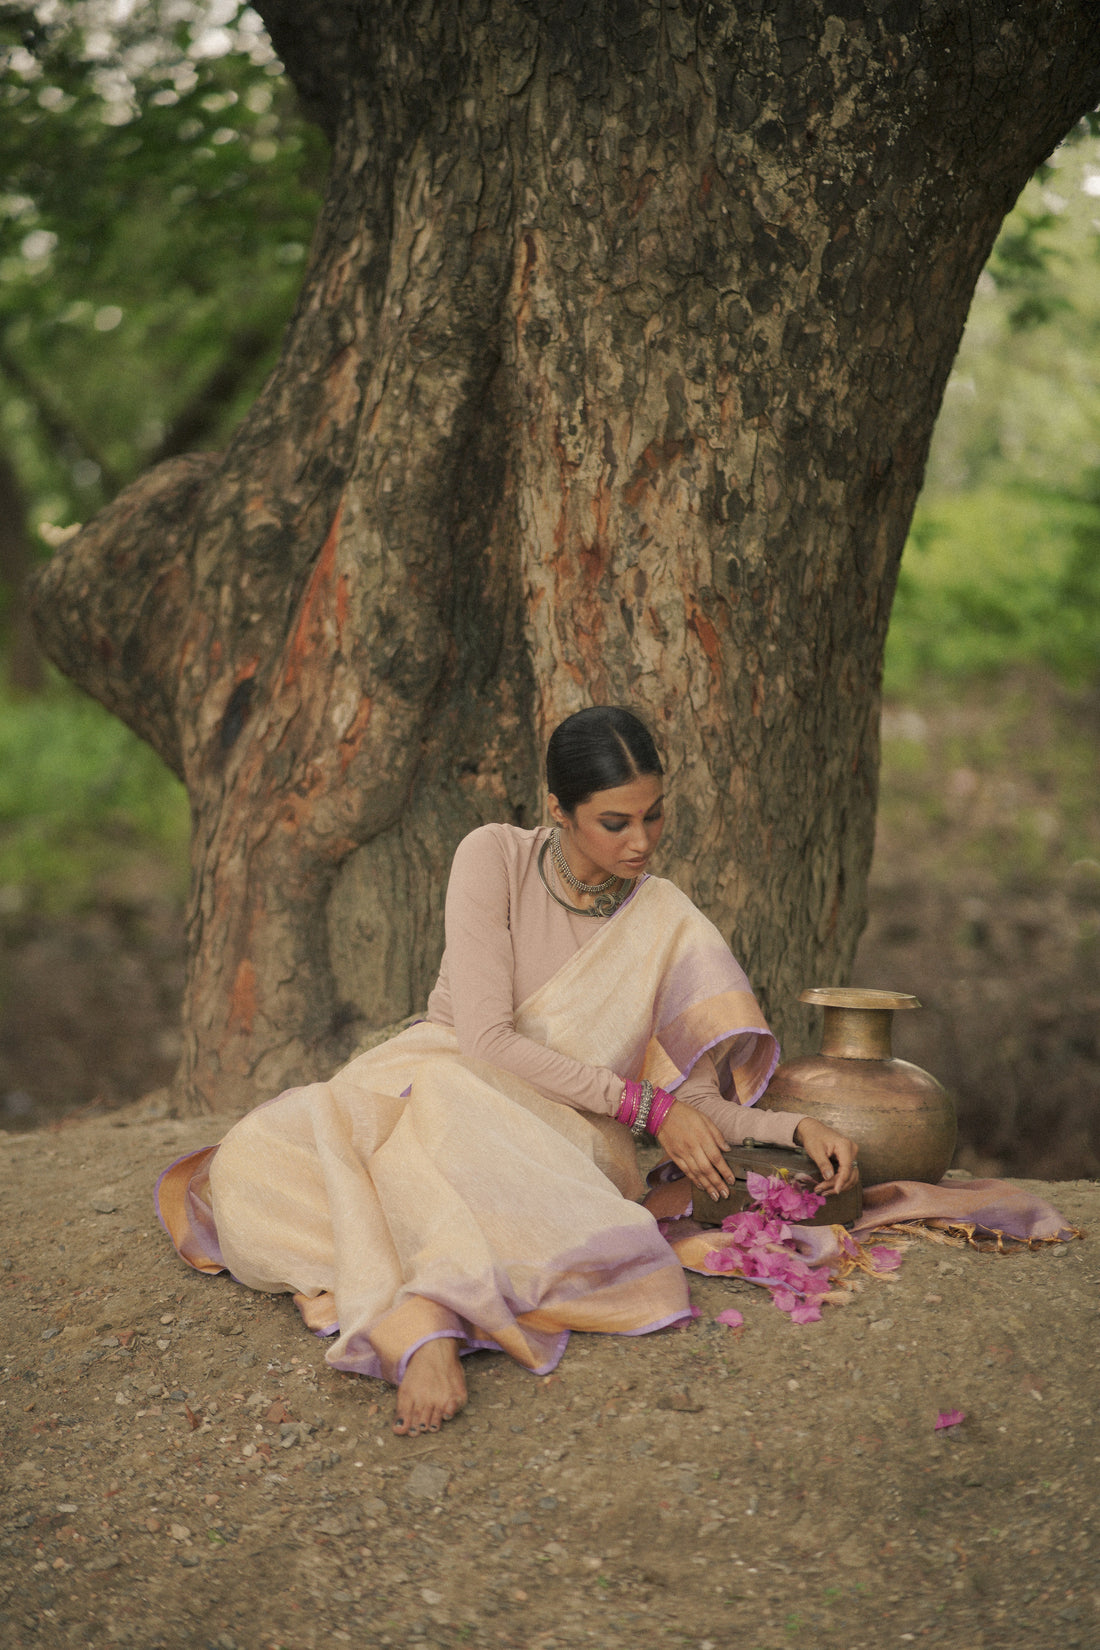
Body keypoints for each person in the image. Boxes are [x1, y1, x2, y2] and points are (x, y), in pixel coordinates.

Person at [157, 707, 857, 1437]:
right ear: (557, 808)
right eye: (614, 822)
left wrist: (794, 1126)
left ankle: (420, 1323)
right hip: (434, 1076)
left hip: (552, 1143)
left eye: (654, 816)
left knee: (450, 1108)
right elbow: (486, 1040)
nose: (641, 841)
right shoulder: (492, 856)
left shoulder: (668, 922)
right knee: (253, 1164)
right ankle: (439, 1279)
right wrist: (651, 1109)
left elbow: (695, 1102)